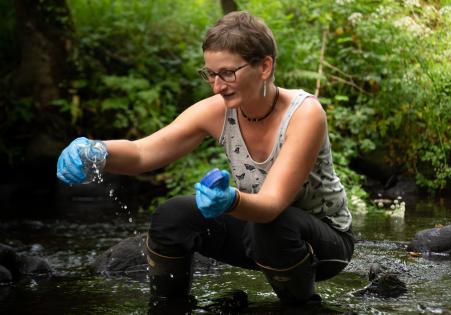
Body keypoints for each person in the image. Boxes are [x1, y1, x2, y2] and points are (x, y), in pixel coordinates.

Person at [56, 11, 354, 305]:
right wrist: (97, 150)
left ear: (264, 66)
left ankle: (301, 307)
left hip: (324, 244)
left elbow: (271, 205)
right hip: (257, 232)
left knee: (274, 224)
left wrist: (230, 200)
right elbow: (143, 153)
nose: (217, 85)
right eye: (210, 74)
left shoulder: (304, 114)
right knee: (172, 215)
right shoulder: (217, 109)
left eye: (227, 73)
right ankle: (169, 307)